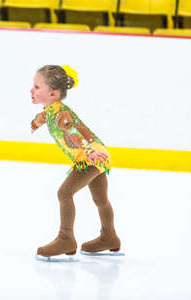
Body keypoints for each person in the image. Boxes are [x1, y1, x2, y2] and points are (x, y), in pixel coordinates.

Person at [30, 65, 121, 259]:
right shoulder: (52, 111)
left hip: (91, 157)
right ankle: (109, 237)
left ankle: (66, 238)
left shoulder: (61, 115)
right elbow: (43, 119)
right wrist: (37, 122)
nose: (31, 90)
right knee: (101, 199)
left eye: (37, 87)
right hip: (96, 153)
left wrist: (90, 153)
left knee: (64, 193)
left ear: (53, 93)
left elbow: (75, 133)